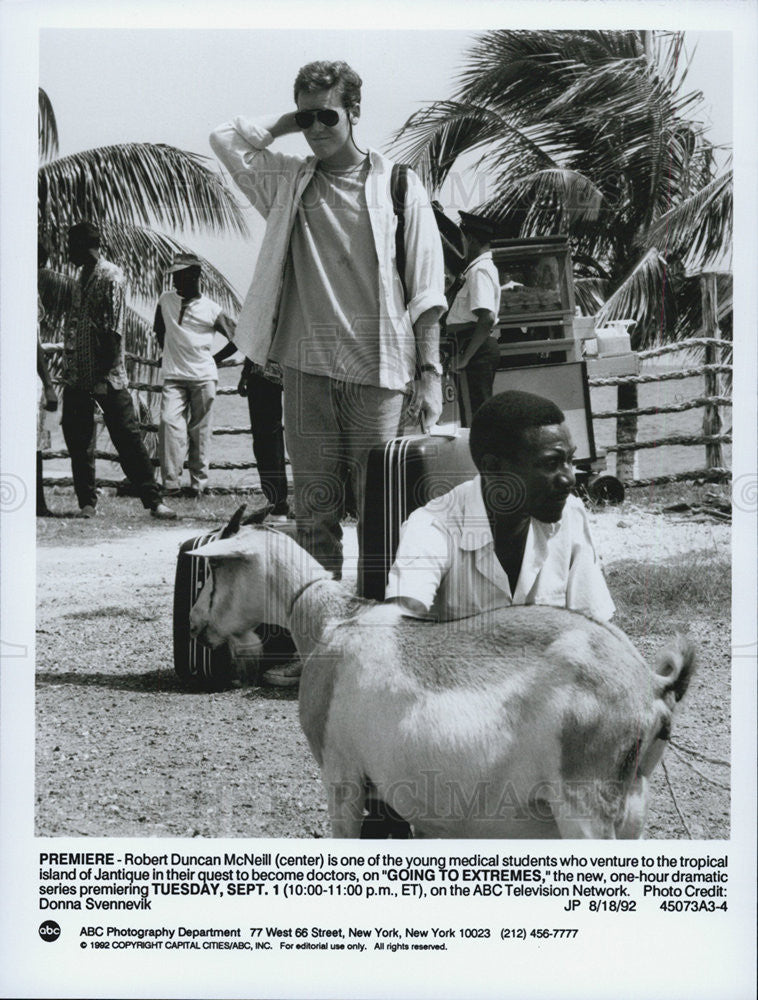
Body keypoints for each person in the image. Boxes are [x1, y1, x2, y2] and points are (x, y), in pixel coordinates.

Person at [209, 60, 447, 585]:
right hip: (305, 371)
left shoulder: (401, 188)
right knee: (314, 516)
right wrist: (289, 120)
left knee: (382, 515)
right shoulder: (288, 182)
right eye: (307, 118)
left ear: (355, 112)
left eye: (327, 117)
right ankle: (319, 643)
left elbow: (427, 293)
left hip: (378, 374)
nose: (316, 129)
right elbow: (224, 137)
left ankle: (380, 638)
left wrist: (430, 374)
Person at [386, 389, 615, 623]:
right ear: (493, 467)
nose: (569, 479)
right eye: (551, 463)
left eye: (570, 461)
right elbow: (397, 631)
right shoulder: (432, 526)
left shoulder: (570, 513)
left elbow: (596, 629)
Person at [60, 221, 176, 520]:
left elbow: (113, 331)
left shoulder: (111, 276)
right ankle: (87, 501)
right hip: (76, 374)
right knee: (78, 438)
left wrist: (102, 377)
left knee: (127, 438)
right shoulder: (79, 276)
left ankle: (154, 501)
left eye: (71, 246)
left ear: (84, 246)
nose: (67, 252)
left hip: (108, 377)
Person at [153, 253, 238, 497]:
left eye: (180, 275)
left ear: (195, 275)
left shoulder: (212, 309)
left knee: (200, 432)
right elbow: (160, 330)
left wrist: (215, 359)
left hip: (203, 377)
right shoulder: (165, 301)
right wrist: (168, 352)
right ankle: (170, 484)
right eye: (174, 276)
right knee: (169, 424)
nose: (175, 281)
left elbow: (237, 338)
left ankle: (198, 486)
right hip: (174, 376)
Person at [445, 211, 502, 425]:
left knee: (474, 417)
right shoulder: (476, 269)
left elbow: (486, 317)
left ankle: (478, 457)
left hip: (474, 348)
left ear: (470, 239)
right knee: (476, 412)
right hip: (471, 345)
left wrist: (466, 357)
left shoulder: (479, 270)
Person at [236, 358, 290, 520]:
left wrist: (246, 373)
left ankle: (278, 502)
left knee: (266, 438)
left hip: (264, 371)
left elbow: (257, 338)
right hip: (300, 364)